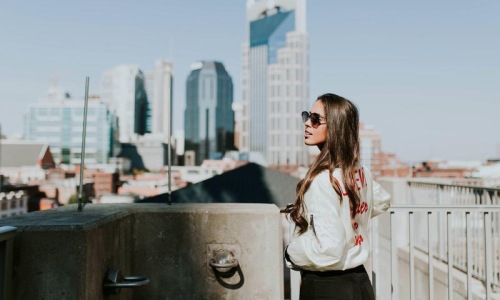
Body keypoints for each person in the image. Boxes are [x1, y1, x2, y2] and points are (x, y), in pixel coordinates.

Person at [282, 93, 391, 300]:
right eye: (307, 116)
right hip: (360, 283)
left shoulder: (323, 180)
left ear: (335, 126)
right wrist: (349, 218)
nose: (306, 123)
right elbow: (382, 200)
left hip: (327, 286)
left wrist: (291, 252)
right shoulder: (357, 170)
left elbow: (329, 249)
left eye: (315, 119)